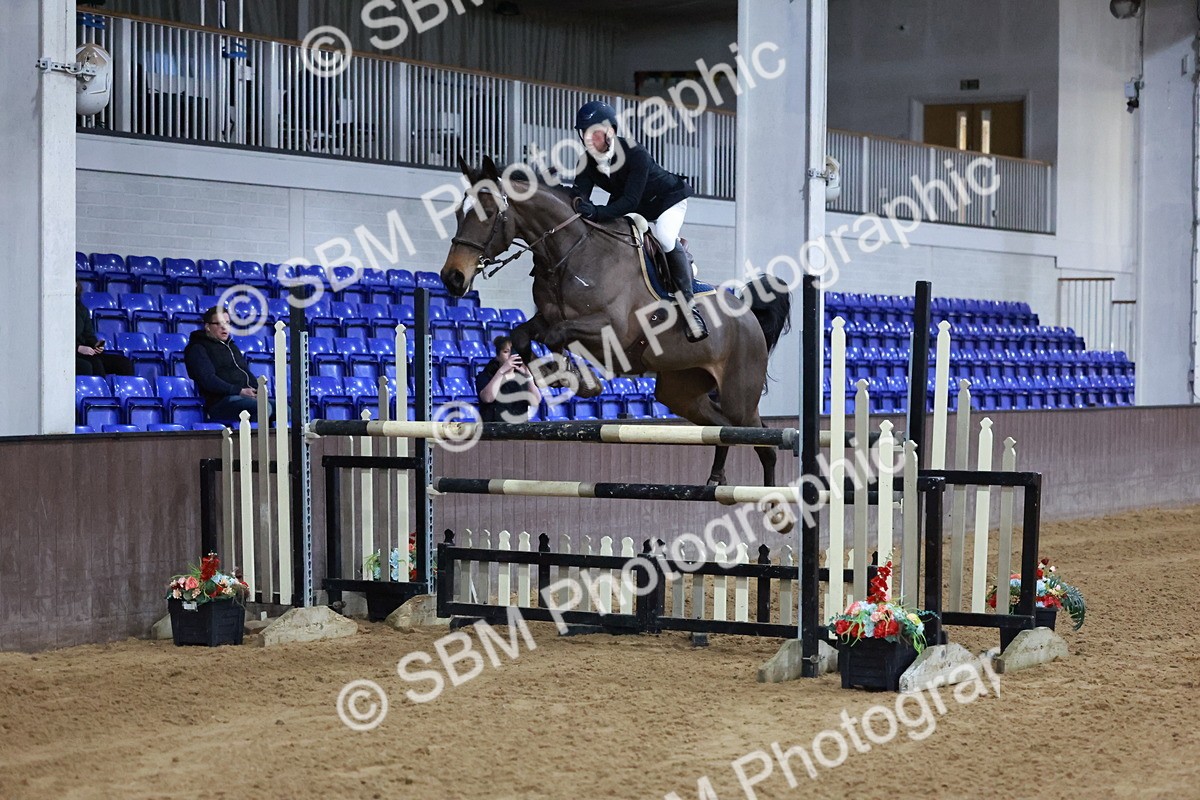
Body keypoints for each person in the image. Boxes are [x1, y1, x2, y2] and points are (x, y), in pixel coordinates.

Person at [568, 100, 708, 342]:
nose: (588, 139)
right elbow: (578, 196)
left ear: (610, 131)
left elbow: (630, 201)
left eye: (594, 134)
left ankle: (689, 308)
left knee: (664, 237)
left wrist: (598, 212)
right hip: (636, 205)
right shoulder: (586, 162)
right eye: (584, 134)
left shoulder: (634, 153)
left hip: (666, 199)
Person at [184, 306, 272, 423]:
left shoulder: (232, 347)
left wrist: (258, 389)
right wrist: (239, 391)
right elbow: (208, 380)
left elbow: (245, 372)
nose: (224, 327)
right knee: (262, 408)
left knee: (286, 410)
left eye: (227, 323)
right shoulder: (197, 348)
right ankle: (254, 440)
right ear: (207, 327)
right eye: (219, 324)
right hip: (220, 402)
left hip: (241, 397)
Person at [475, 336, 542, 423]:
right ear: (498, 356)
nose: (510, 356)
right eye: (506, 352)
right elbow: (487, 398)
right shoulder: (487, 374)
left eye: (513, 352)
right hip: (493, 428)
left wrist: (528, 376)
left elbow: (535, 401)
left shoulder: (522, 377)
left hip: (519, 429)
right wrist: (502, 371)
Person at [76, 283, 134, 378]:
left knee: (124, 363)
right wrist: (78, 348)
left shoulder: (82, 309)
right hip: (72, 352)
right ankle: (99, 392)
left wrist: (96, 345)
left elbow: (88, 335)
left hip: (87, 351)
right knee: (93, 364)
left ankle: (122, 392)